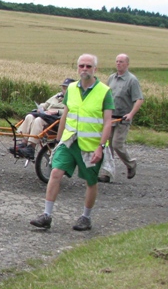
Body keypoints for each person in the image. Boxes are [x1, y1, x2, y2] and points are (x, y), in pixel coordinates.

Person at [30, 54, 114, 232]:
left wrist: (101, 146)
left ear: (95, 69)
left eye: (88, 66)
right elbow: (65, 116)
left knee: (90, 181)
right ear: (77, 68)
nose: (84, 69)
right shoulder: (72, 89)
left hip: (91, 145)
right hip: (69, 141)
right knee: (55, 173)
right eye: (81, 66)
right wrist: (58, 141)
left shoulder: (104, 92)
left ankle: (86, 217)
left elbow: (108, 122)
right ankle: (46, 215)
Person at [98, 54, 144, 183]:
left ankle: (130, 164)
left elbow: (139, 99)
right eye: (117, 61)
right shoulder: (111, 78)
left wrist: (131, 114)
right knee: (107, 145)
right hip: (110, 117)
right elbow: (106, 95)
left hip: (123, 118)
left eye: (122, 62)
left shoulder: (132, 80)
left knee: (117, 144)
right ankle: (107, 173)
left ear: (127, 64)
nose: (119, 64)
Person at [9, 78, 75, 159]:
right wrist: (41, 107)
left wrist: (57, 111)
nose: (64, 90)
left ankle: (31, 147)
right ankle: (24, 143)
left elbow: (71, 111)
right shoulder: (57, 96)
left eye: (66, 88)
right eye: (63, 87)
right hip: (46, 116)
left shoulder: (74, 99)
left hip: (57, 120)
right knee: (29, 116)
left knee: (38, 120)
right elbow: (46, 104)